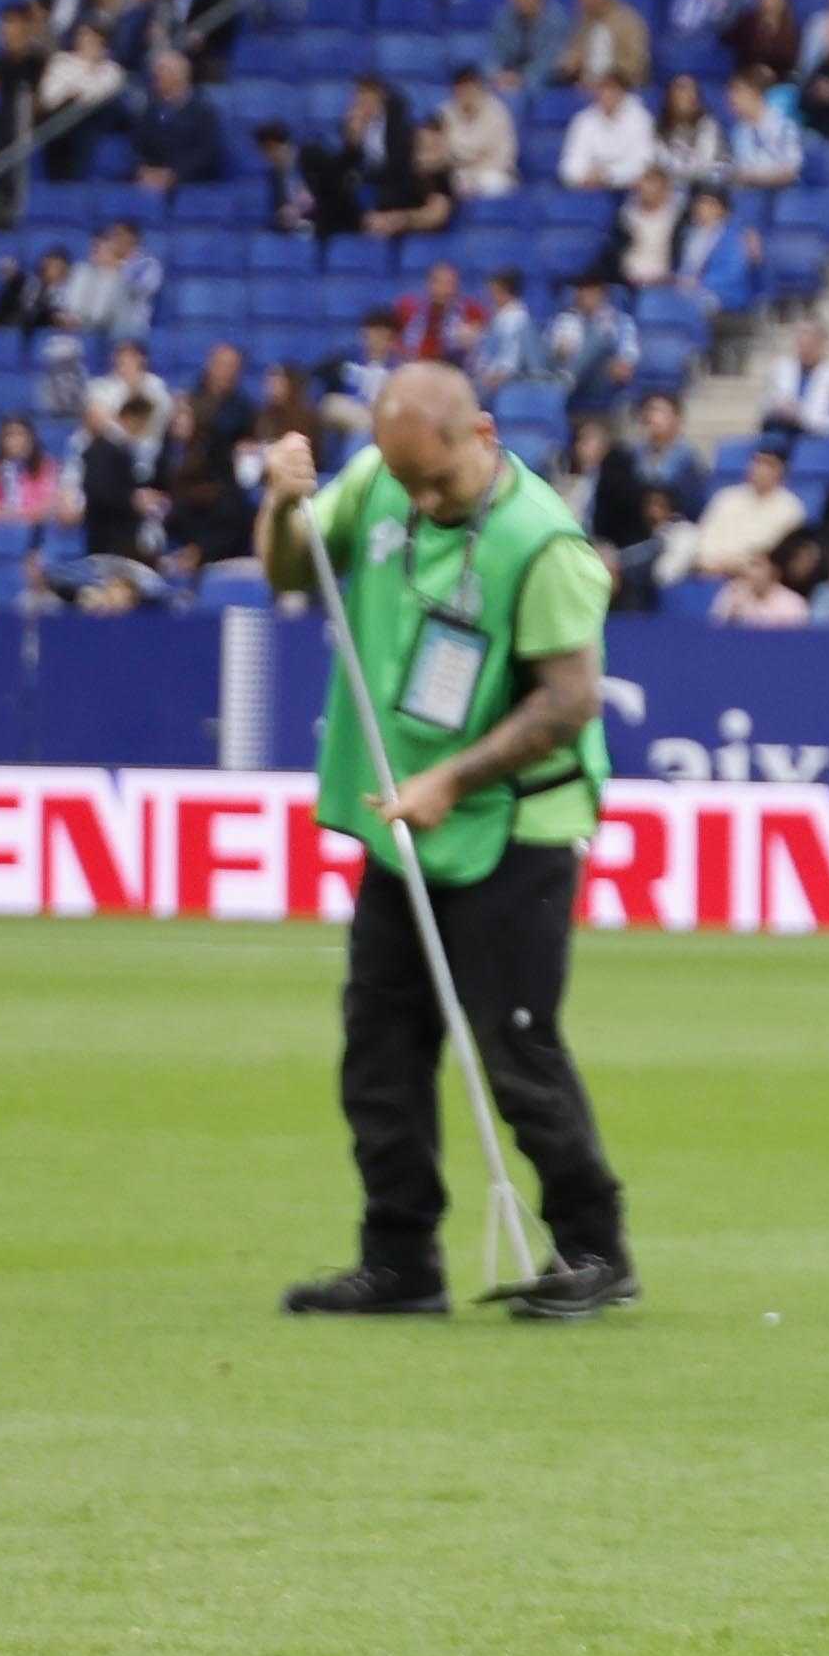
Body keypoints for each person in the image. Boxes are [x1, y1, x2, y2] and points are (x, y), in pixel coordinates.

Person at [259, 365, 636, 1319]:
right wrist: (278, 504)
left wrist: (452, 780)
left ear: (482, 433)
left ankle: (595, 1249)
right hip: (403, 820)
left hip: (515, 823)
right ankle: (400, 1258)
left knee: (515, 1048)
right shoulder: (384, 478)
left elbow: (568, 701)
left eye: (438, 482)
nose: (422, 502)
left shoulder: (541, 541)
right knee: (378, 1048)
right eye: (406, 481)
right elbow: (292, 570)